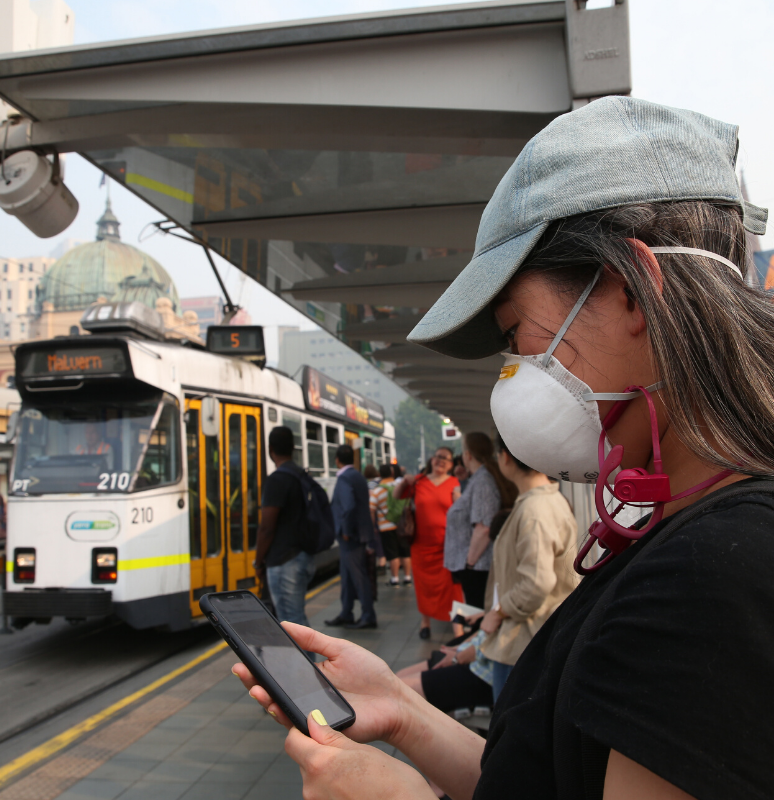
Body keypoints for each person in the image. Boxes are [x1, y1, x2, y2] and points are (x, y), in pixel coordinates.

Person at [233, 98, 774, 800]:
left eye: (518, 335)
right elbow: (548, 776)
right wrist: (401, 715)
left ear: (632, 291)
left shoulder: (716, 572)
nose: (513, 374)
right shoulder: (698, 537)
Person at [480, 438, 578, 701]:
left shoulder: (535, 510)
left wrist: (499, 612)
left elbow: (536, 583)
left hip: (524, 642)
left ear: (506, 458)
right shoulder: (545, 501)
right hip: (536, 638)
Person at [396, 447, 463, 639]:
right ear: (431, 459)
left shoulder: (455, 483)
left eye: (446, 459)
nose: (441, 461)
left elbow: (461, 510)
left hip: (447, 547)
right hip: (421, 546)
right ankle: (425, 624)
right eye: (438, 457)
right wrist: (404, 481)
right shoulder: (419, 481)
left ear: (451, 464)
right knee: (424, 588)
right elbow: (396, 496)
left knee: (453, 588)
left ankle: (457, 628)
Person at [444, 432, 516, 611]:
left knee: (476, 617)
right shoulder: (479, 478)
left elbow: (484, 527)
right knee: (472, 614)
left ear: (467, 455)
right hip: (475, 565)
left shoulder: (483, 481)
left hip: (477, 566)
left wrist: (469, 563)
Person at [254, 426, 315, 627]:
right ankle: (307, 659)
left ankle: (304, 660)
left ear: (270, 449)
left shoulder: (277, 480)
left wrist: (258, 561)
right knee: (297, 619)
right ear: (292, 448)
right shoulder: (301, 476)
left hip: (284, 561)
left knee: (291, 624)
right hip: (303, 556)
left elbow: (267, 527)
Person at [326, 444, 377, 630]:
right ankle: (346, 613)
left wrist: (346, 531)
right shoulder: (357, 476)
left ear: (337, 460)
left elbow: (347, 506)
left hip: (351, 536)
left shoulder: (344, 478)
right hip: (357, 534)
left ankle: (368, 615)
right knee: (347, 575)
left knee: (358, 576)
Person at [370, 464, 413, 587]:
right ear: (393, 473)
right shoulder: (400, 487)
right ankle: (407, 577)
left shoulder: (377, 491)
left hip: (386, 526)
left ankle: (395, 580)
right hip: (402, 525)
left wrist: (373, 526)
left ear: (379, 475)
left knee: (392, 554)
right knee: (405, 552)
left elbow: (371, 510)